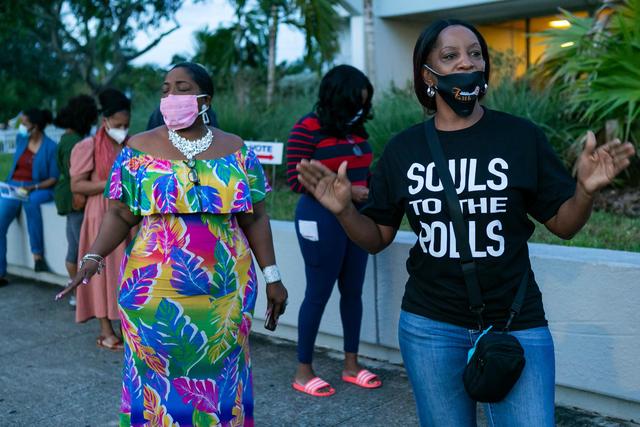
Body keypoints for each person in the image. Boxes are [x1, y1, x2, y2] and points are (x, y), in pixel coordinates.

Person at [294, 19, 635, 426]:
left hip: (516, 322)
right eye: (450, 55)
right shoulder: (404, 149)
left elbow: (564, 225)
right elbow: (377, 238)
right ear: (427, 74)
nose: (465, 63)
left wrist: (585, 190)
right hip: (429, 327)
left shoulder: (520, 137)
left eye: (475, 54)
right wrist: (345, 210)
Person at [56, 62, 288, 425]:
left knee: (223, 382)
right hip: (152, 295)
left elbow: (255, 217)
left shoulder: (236, 150)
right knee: (155, 387)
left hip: (225, 295)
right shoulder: (137, 149)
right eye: (165, 89)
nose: (170, 96)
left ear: (204, 99)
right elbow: (119, 214)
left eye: (181, 88)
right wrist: (92, 256)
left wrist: (272, 276)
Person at [286, 64, 381, 397]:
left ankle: (351, 365)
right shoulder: (308, 128)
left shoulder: (357, 133)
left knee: (352, 291)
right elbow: (293, 178)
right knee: (318, 292)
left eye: (364, 104)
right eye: (355, 103)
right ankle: (303, 370)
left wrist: (369, 190)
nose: (360, 111)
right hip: (320, 220)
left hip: (356, 219)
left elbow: (362, 174)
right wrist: (346, 191)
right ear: (337, 98)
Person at [70, 88, 132, 351]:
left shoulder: (132, 144)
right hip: (99, 215)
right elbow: (77, 185)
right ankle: (106, 331)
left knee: (124, 275)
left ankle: (125, 328)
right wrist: (110, 183)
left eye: (126, 125)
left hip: (127, 215)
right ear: (104, 121)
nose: (122, 129)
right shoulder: (87, 146)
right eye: (118, 125)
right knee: (100, 274)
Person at [0, 108, 59, 284]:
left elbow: (53, 178)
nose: (22, 127)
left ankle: (38, 257)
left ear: (36, 126)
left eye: (25, 124)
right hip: (13, 188)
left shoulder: (50, 147)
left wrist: (33, 187)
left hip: (38, 188)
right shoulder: (21, 139)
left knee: (31, 203)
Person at [53, 95, 99, 306]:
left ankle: (76, 293)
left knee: (74, 245)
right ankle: (79, 294)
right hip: (75, 199)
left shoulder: (67, 137)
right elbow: (77, 175)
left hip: (67, 197)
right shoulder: (76, 142)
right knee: (79, 248)